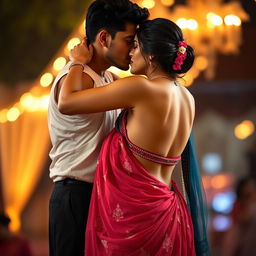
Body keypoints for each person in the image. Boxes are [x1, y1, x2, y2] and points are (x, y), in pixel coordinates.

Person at [59, 18, 210, 255]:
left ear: (151, 56)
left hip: (134, 217)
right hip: (169, 215)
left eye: (136, 46)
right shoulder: (186, 98)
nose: (131, 53)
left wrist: (76, 62)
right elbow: (117, 90)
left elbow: (67, 103)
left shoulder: (141, 89)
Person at [47, 0, 149, 255]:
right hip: (76, 194)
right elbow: (67, 104)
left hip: (98, 193)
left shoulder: (105, 77)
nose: (133, 49)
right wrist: (76, 63)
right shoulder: (78, 76)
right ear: (104, 38)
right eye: (129, 40)